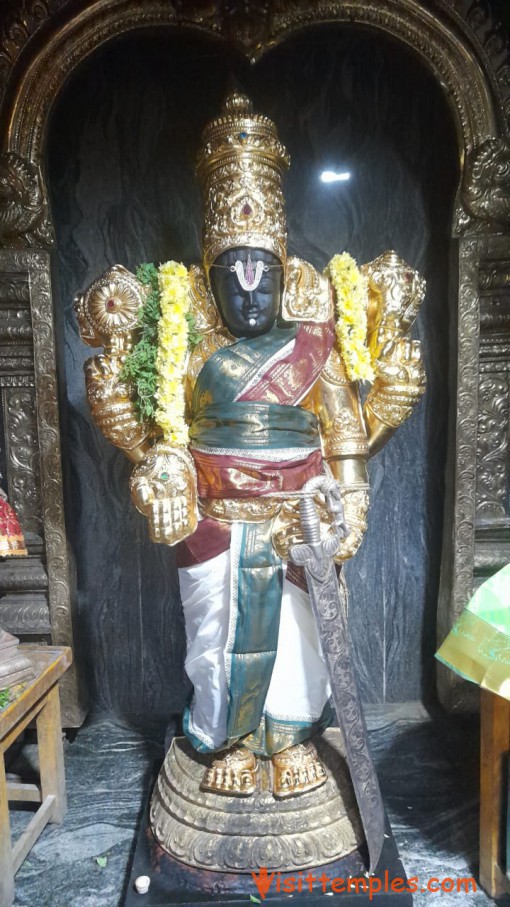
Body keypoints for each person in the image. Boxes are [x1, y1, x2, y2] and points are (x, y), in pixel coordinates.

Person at [75, 92, 426, 799]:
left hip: (301, 519)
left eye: (263, 272)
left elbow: (345, 436)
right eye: (232, 275)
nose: (250, 291)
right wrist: (164, 474)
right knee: (218, 640)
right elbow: (164, 437)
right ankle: (229, 741)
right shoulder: (187, 347)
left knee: (299, 640)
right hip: (217, 524)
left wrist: (351, 506)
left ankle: (291, 739)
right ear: (209, 281)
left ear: (284, 272)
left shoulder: (316, 345)